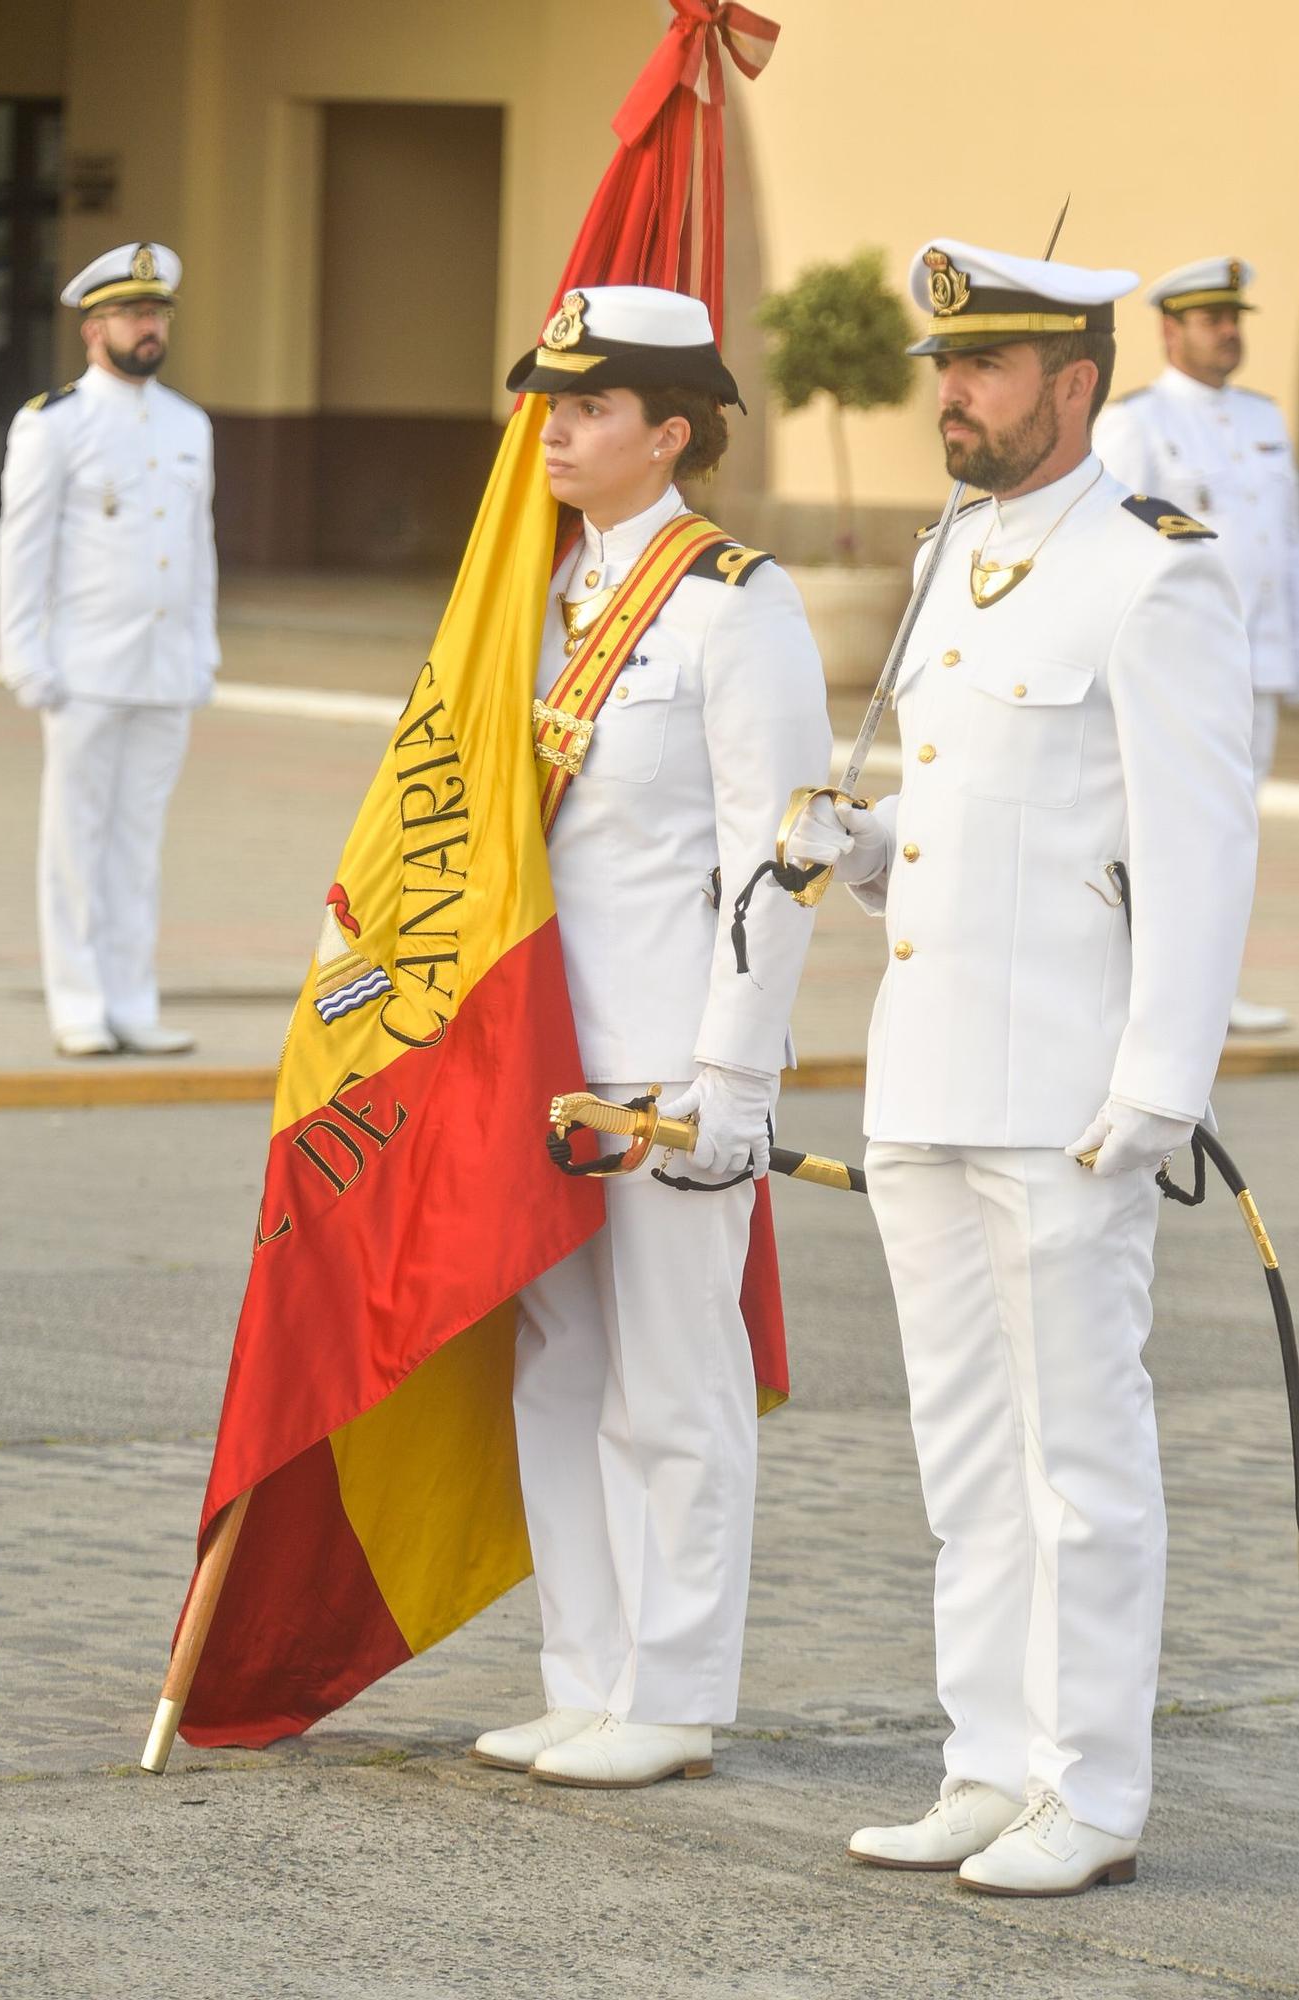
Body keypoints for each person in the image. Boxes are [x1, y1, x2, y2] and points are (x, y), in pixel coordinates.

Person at [786, 240, 1256, 1893]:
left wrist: (1156, 1081)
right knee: (965, 1456)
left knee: (1078, 1458)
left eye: (980, 369)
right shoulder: (948, 556)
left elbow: (1193, 852)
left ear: (1074, 386)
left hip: (1063, 1092)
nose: (948, 395)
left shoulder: (1149, 572)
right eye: (940, 368)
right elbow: (976, 812)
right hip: (921, 1076)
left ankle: (1092, 1791)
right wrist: (861, 842)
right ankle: (983, 1764)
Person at [470, 284, 831, 1789]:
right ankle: (586, 1673)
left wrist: (735, 1070)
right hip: (539, 1045)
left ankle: (671, 1695)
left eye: (593, 407)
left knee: (669, 1380)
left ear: (671, 432)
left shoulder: (736, 603)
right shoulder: (528, 592)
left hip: (666, 1062)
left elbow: (778, 850)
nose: (555, 430)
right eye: (549, 403)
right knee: (554, 1369)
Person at [0, 241, 218, 1057]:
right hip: (84, 667)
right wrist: (25, 655)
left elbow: (199, 548)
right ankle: (79, 1004)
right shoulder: (54, 423)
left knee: (138, 844)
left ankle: (133, 1000)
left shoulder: (188, 423)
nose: (147, 327)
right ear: (93, 330)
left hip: (164, 670)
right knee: (76, 843)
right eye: (130, 313)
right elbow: (25, 545)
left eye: (155, 312)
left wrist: (203, 651)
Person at [1094, 256, 1298, 1034]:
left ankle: (1212, 990)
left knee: (1229, 834)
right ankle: (1146, 994)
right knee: (1164, 830)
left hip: (1257, 662)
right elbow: (1110, 541)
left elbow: (1281, 545)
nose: (1226, 332)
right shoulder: (1137, 422)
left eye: (1232, 319)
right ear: (1169, 329)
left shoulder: (1262, 419)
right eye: (1211, 320)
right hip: (1177, 668)